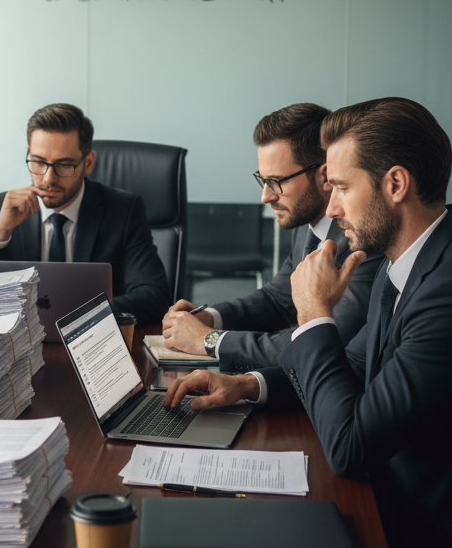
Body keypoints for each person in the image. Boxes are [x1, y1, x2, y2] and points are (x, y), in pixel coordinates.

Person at [165, 97, 452, 548]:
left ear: (396, 184)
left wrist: (314, 313)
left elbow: (352, 444)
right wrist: (248, 385)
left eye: (341, 188)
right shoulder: (404, 261)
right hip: (392, 514)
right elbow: (353, 367)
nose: (330, 209)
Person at [161, 102, 381, 399]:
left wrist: (210, 340)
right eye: (263, 180)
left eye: (276, 182)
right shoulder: (307, 223)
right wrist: (210, 318)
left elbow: (325, 340)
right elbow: (279, 298)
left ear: (324, 175)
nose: (266, 196)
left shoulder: (364, 241)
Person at [0, 103, 170, 325]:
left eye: (64, 165)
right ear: (28, 155)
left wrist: (75, 315)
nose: (49, 178)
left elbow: (154, 297)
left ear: (87, 163)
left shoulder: (123, 211)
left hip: (93, 344)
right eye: (39, 162)